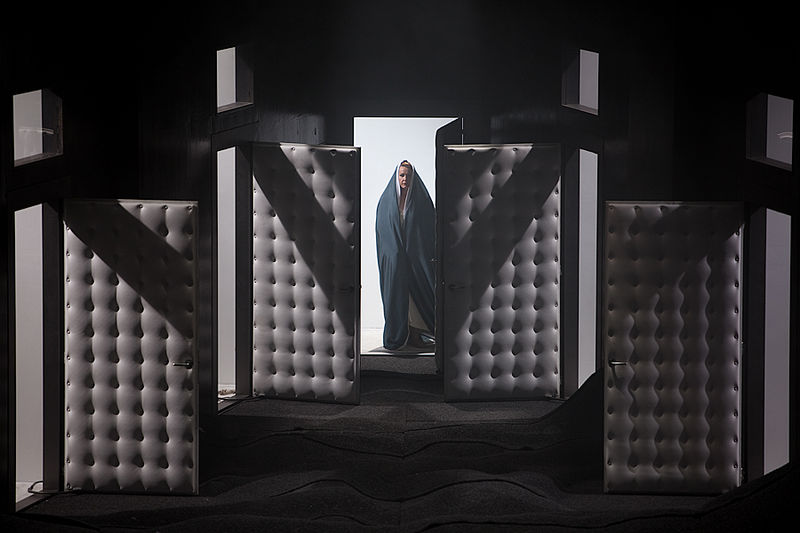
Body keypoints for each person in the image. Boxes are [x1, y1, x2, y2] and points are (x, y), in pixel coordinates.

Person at [375, 160, 436, 351]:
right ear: (396, 177)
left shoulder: (422, 201)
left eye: (408, 175)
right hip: (395, 259)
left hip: (417, 257)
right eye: (401, 175)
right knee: (397, 294)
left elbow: (429, 230)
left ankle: (416, 332)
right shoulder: (386, 202)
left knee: (418, 293)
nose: (405, 179)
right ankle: (403, 333)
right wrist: (393, 253)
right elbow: (382, 231)